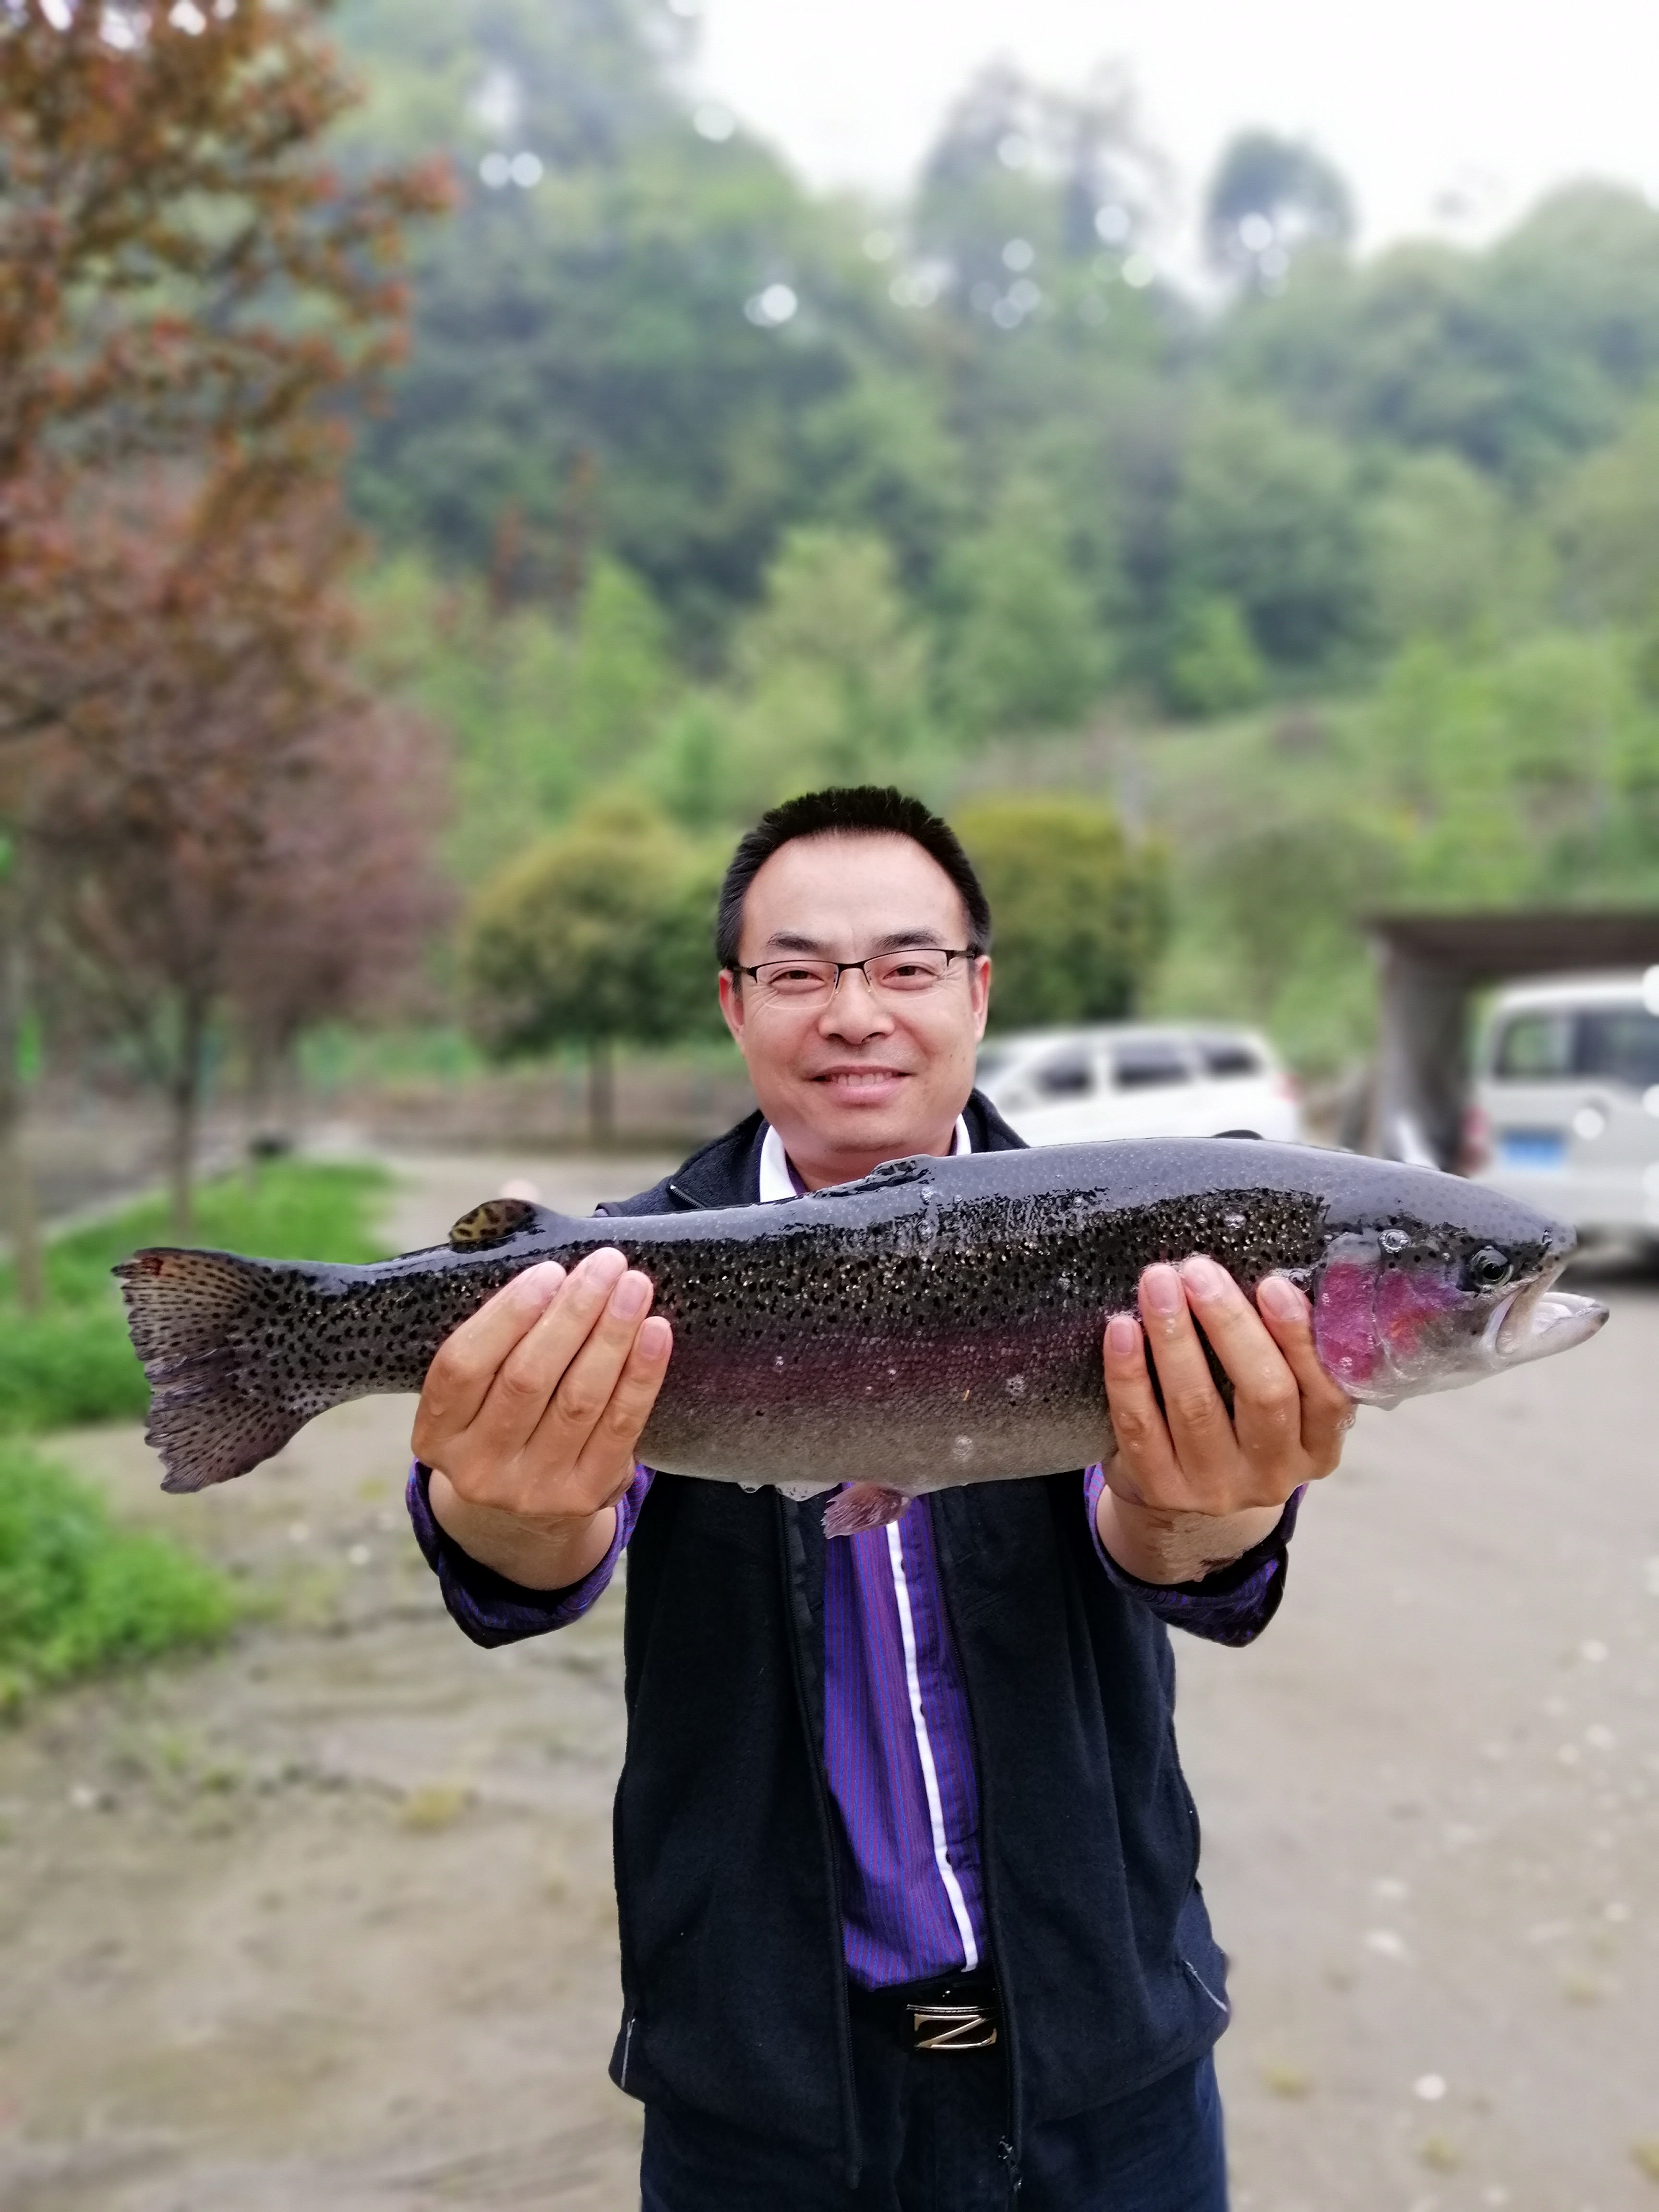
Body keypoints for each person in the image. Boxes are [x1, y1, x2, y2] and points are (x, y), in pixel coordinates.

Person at [405, 785, 1353, 2211]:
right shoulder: (627, 1274)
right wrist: (509, 1510)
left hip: (1108, 2064)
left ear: (978, 991)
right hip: (762, 2100)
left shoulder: (1138, 1239)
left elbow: (1180, 1557)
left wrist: (1214, 1511)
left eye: (907, 965)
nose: (856, 1012)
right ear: (735, 1006)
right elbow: (532, 1565)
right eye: (800, 972)